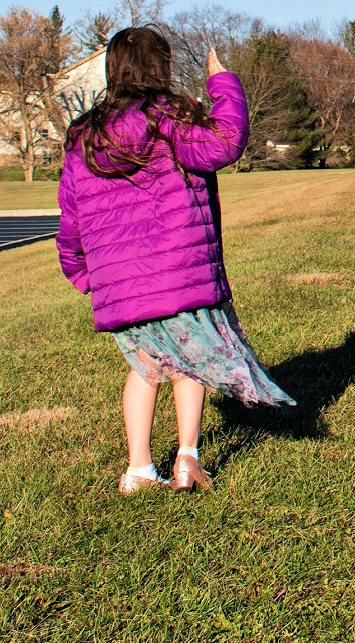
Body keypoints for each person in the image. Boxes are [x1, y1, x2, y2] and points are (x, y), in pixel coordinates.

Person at [56, 26, 294, 496]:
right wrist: (222, 82)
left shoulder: (83, 134)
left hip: (121, 281)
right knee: (191, 364)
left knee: (144, 368)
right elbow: (224, 142)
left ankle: (139, 469)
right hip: (181, 272)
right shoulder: (168, 115)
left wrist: (81, 272)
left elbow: (72, 214)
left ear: (113, 68)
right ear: (160, 65)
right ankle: (188, 459)